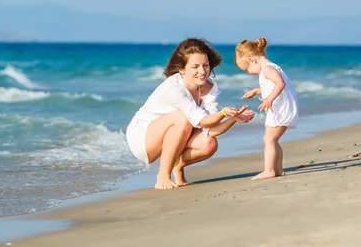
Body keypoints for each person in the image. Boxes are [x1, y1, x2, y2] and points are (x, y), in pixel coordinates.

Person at [126, 38, 255, 190]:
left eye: (205, 65)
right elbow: (202, 120)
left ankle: (177, 166)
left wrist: (233, 117)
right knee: (183, 117)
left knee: (209, 144)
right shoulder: (173, 88)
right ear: (181, 69)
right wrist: (223, 113)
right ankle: (163, 176)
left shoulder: (211, 88)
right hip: (143, 138)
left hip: (177, 131)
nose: (202, 71)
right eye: (195, 67)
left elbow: (211, 129)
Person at [234, 37, 298, 180]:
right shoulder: (271, 67)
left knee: (269, 140)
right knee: (271, 140)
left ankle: (269, 170)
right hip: (283, 109)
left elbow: (280, 84)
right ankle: (278, 169)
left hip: (280, 110)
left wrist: (269, 99)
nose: (250, 72)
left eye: (247, 69)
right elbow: (272, 85)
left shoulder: (267, 69)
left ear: (251, 60)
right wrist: (256, 91)